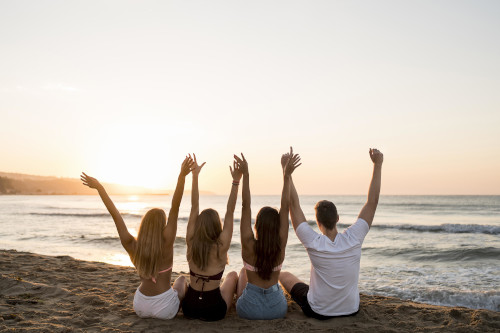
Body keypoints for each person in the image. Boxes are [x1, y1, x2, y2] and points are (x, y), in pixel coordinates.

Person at [80, 155, 194, 320]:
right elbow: (175, 207)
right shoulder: (166, 242)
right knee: (182, 280)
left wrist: (100, 188)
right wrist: (182, 176)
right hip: (165, 310)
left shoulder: (132, 245)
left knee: (175, 286)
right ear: (162, 226)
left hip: (140, 306)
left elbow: (115, 214)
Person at [279, 148, 383, 319]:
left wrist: (286, 173)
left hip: (319, 311)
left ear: (317, 222)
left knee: (284, 276)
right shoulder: (354, 237)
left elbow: (294, 206)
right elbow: (372, 202)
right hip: (351, 310)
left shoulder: (313, 241)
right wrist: (377, 165)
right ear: (337, 218)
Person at [235, 149, 301, 320]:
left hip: (248, 309)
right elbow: (285, 207)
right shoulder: (280, 243)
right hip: (277, 309)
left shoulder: (248, 244)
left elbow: (245, 206)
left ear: (256, 226)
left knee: (243, 272)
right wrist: (286, 176)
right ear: (278, 226)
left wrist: (246, 175)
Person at [181, 154, 240, 321]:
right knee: (233, 275)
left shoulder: (191, 242)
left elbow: (194, 207)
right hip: (214, 311)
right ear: (217, 226)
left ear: (199, 224)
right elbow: (230, 211)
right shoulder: (221, 247)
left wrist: (195, 176)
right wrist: (236, 182)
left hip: (189, 308)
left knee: (181, 281)